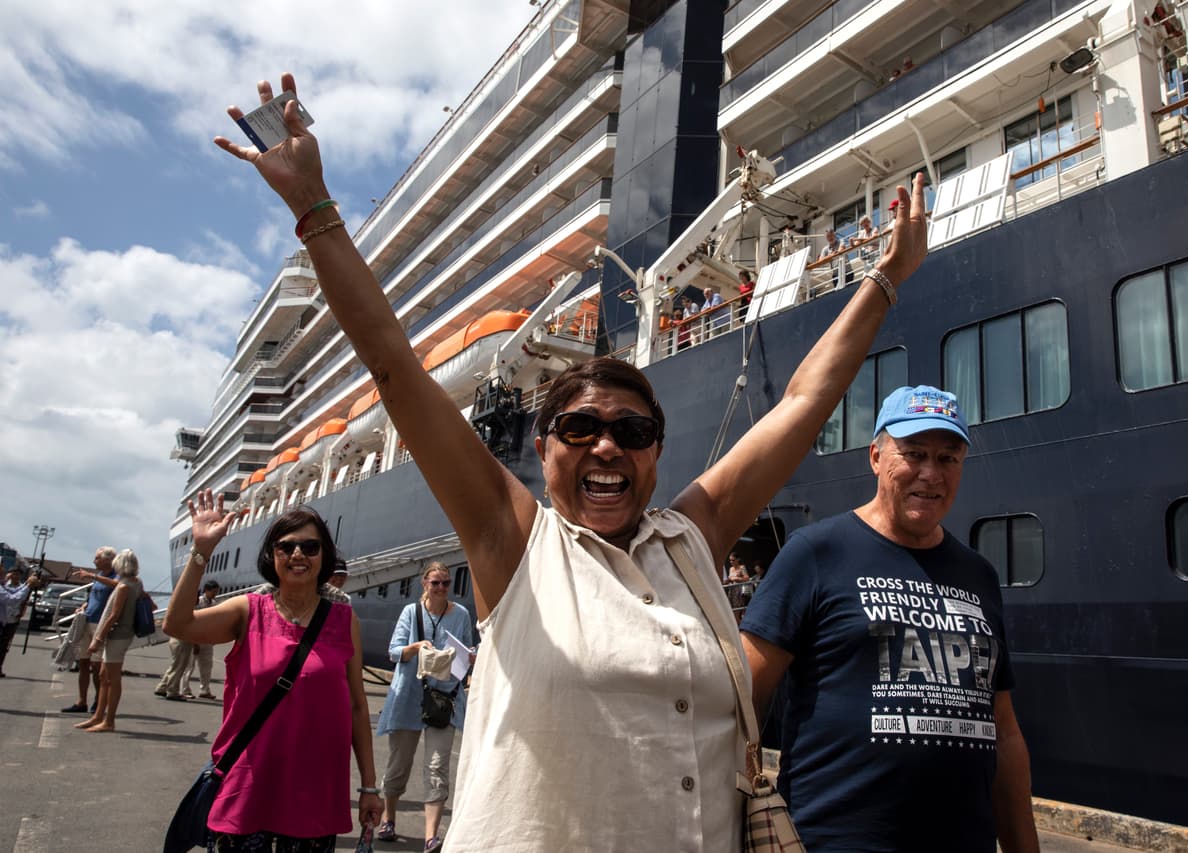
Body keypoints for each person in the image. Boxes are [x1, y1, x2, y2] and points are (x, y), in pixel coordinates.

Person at [213, 72, 927, 851]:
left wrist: (884, 280)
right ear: (543, 447)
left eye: (632, 429)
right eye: (579, 427)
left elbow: (798, 403)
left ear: (657, 449)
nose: (607, 445)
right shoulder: (514, 544)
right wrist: (316, 210)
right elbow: (395, 368)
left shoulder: (692, 538)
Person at [740, 386, 1040, 853]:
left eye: (948, 458)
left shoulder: (978, 574)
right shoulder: (816, 553)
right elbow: (743, 702)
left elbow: (1003, 732)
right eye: (914, 453)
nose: (930, 473)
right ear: (876, 456)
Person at [164, 498, 384, 849]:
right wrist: (201, 552)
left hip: (315, 793)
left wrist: (369, 787)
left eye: (310, 547)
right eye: (286, 546)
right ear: (273, 555)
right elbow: (177, 624)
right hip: (247, 788)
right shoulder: (247, 610)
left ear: (324, 556)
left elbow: (358, 707)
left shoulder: (344, 622)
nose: (298, 554)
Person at [374, 563, 476, 850]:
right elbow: (394, 651)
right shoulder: (411, 612)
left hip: (444, 700)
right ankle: (389, 818)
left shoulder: (462, 614)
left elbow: (468, 648)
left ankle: (431, 835)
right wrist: (416, 647)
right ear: (424, 584)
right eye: (436, 583)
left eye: (446, 583)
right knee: (398, 765)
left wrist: (470, 657)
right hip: (409, 697)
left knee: (437, 767)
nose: (441, 588)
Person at [75, 550, 143, 733]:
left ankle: (109, 720)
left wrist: (97, 639)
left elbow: (114, 615)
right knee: (103, 676)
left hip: (117, 636)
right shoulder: (136, 583)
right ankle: (98, 716)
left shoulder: (123, 587)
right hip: (122, 634)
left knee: (112, 679)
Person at [62, 547, 117, 713]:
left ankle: (98, 701)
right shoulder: (98, 578)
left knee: (97, 664)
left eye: (97, 558)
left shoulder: (116, 574)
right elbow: (93, 596)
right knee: (84, 661)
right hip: (87, 620)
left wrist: (93, 575)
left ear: (108, 560)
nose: (94, 561)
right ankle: (81, 701)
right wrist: (83, 606)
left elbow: (119, 585)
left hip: (101, 624)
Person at [0, 567, 40, 677]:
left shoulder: (10, 586)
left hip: (11, 619)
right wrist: (28, 585)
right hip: (3, 619)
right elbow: (12, 599)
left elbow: (18, 596)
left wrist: (28, 584)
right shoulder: (3, 585)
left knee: (4, 646)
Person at [184, 580, 221, 700]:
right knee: (190, 666)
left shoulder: (215, 603)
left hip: (207, 639)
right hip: (196, 638)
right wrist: (194, 642)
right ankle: (185, 689)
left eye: (216, 592)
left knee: (206, 666)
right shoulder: (198, 602)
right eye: (213, 592)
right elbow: (192, 622)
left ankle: (204, 690)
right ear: (206, 590)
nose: (215, 594)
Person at [155, 619, 195, 701]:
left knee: (175, 665)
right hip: (183, 639)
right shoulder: (188, 611)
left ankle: (162, 687)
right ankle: (172, 691)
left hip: (176, 638)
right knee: (179, 666)